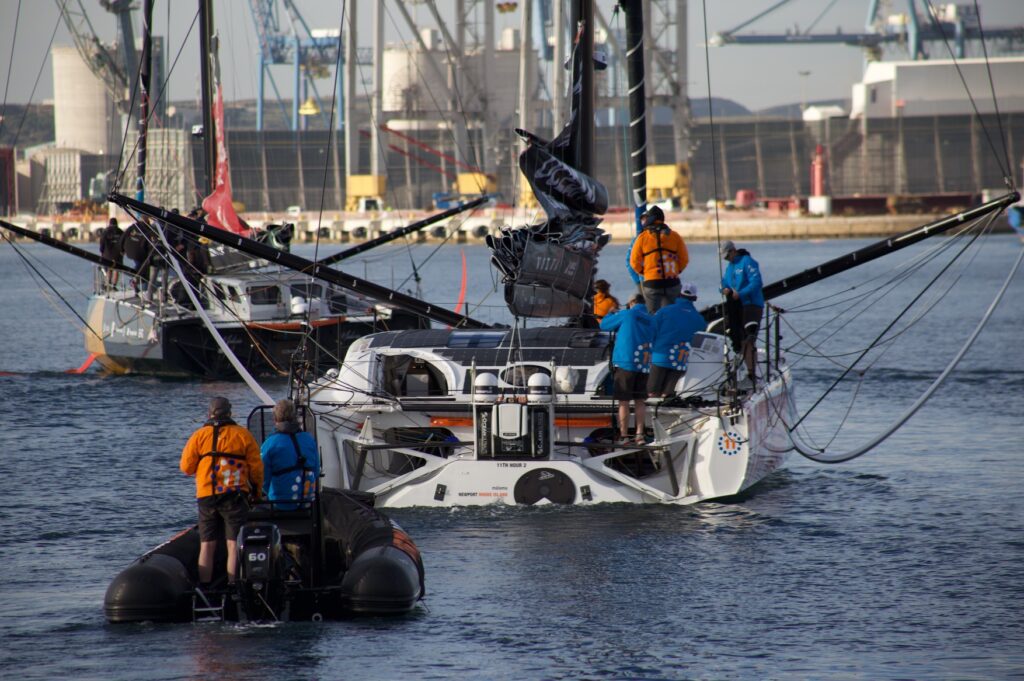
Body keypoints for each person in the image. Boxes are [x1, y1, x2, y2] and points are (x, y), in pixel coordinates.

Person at [180, 397, 263, 586]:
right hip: (234, 496)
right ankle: (234, 588)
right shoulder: (242, 435)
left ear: (209, 414)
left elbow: (186, 467)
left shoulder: (199, 436)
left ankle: (206, 590)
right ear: (230, 413)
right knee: (233, 544)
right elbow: (256, 469)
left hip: (206, 496)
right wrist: (256, 493)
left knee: (207, 545)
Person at [600, 294, 654, 444]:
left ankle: (623, 436)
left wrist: (610, 313)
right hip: (644, 364)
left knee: (623, 401)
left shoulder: (627, 313)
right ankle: (639, 435)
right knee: (640, 401)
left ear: (631, 302)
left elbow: (604, 325)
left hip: (626, 362)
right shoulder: (651, 319)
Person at [647, 282, 706, 398]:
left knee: (652, 393)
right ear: (695, 298)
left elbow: (651, 330)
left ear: (679, 295)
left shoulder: (664, 311)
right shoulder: (700, 319)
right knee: (668, 396)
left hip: (660, 356)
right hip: (681, 360)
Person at [260, 398, 320, 510]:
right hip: (308, 502)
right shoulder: (309, 439)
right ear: (295, 417)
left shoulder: (270, 443)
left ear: (275, 419)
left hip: (281, 503)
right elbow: (316, 471)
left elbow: (262, 479)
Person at [720, 240, 765, 388]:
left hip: (751, 304)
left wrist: (741, 293)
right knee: (738, 339)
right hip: (737, 306)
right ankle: (746, 371)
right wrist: (724, 290)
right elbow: (725, 283)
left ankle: (752, 374)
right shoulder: (729, 267)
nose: (726, 259)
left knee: (748, 339)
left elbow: (756, 282)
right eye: (724, 258)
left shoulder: (747, 261)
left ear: (733, 251)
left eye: (727, 256)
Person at [628, 206, 689, 312]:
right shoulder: (675, 236)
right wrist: (677, 270)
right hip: (672, 281)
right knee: (671, 314)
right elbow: (684, 259)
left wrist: (644, 272)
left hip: (652, 282)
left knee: (652, 315)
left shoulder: (642, 238)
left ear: (651, 219)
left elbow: (633, 261)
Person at [98, 217, 124, 289]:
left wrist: (101, 251)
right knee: (116, 270)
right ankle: (114, 285)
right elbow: (124, 243)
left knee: (109, 269)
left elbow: (102, 243)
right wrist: (123, 251)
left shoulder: (105, 232)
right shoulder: (120, 232)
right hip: (118, 254)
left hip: (107, 254)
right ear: (116, 223)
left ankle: (108, 284)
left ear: (109, 223)